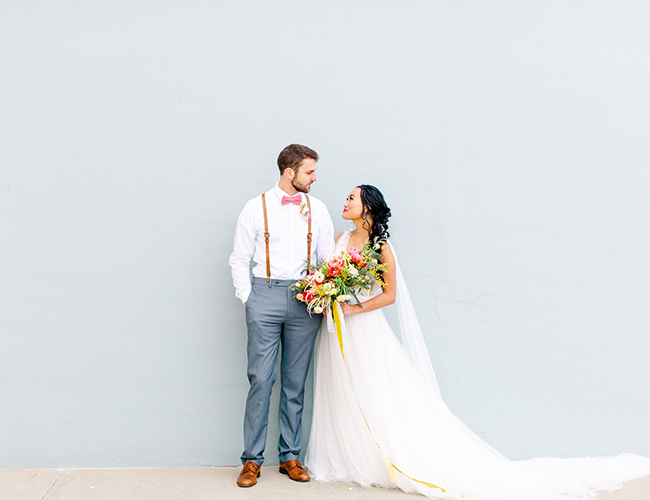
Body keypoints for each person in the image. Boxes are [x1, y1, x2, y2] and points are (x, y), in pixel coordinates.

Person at [305, 184, 650, 500]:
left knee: (371, 391)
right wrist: (327, 298)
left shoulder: (381, 248)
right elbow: (333, 278)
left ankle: (382, 458)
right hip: (336, 329)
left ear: (367, 207)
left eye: (352, 198)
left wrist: (354, 308)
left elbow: (391, 295)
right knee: (341, 389)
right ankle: (349, 459)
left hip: (363, 328)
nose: (346, 201)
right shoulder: (340, 238)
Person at [229, 144, 335, 487]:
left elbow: (328, 257)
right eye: (309, 172)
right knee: (261, 378)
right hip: (265, 295)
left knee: (295, 382)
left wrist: (322, 293)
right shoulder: (254, 207)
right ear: (289, 172)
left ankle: (290, 456)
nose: (314, 178)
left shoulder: (317, 209)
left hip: (305, 300)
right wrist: (249, 298)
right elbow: (238, 259)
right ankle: (251, 461)